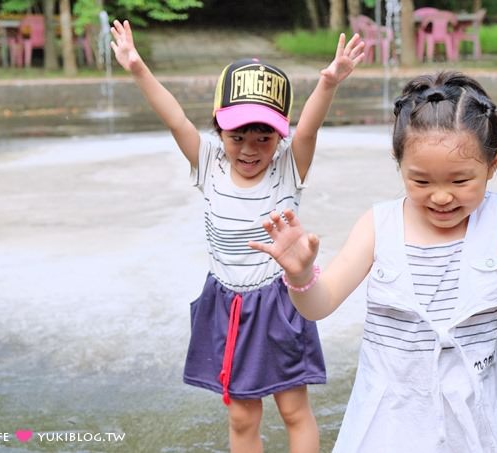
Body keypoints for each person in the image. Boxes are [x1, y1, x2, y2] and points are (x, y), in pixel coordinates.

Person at [249, 71, 497, 452]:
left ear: (493, 164)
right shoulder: (379, 225)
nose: (442, 197)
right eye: (421, 182)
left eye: (461, 181)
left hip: (472, 423)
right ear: (398, 164)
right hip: (389, 423)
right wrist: (299, 273)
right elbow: (320, 304)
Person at [110, 19, 364, 453]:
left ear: (279, 136)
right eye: (237, 135)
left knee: (292, 408)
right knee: (242, 414)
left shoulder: (288, 166)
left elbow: (309, 130)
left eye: (263, 136)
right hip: (228, 302)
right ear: (219, 131)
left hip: (280, 301)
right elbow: (174, 118)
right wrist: (136, 68)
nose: (249, 148)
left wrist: (328, 84)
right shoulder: (208, 162)